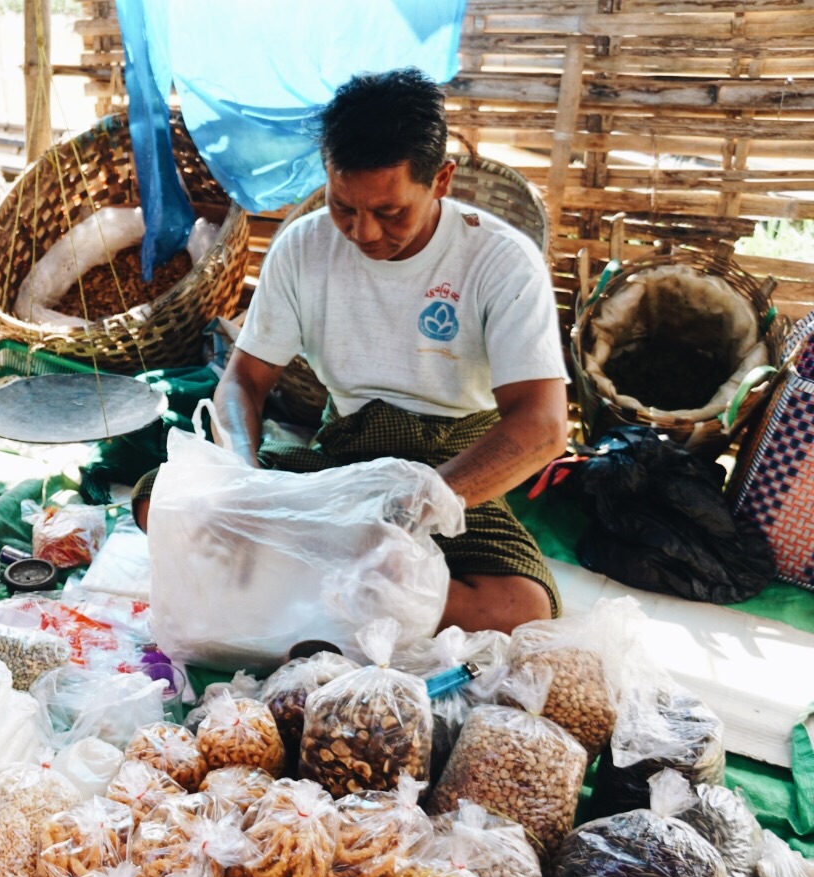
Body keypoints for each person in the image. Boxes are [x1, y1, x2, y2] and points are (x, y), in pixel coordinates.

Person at [136, 67, 568, 634]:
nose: (363, 233)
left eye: (390, 213)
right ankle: (356, 588)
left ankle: (305, 580)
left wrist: (414, 508)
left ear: (441, 180)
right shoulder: (302, 247)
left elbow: (542, 427)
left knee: (520, 605)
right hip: (344, 448)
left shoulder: (500, 260)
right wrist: (245, 483)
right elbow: (243, 380)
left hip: (447, 462)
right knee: (159, 499)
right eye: (345, 206)